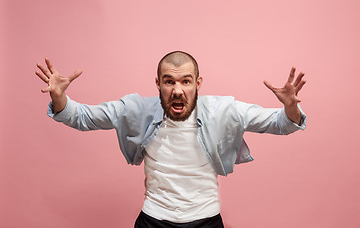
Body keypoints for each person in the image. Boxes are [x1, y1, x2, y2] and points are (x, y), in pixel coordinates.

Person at [36, 51, 306, 228]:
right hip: (153, 220)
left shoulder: (226, 111)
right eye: (169, 82)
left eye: (186, 82)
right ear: (158, 83)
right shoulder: (136, 110)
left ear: (198, 83)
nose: (177, 90)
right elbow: (82, 117)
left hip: (206, 220)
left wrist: (290, 107)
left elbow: (281, 124)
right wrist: (59, 97)